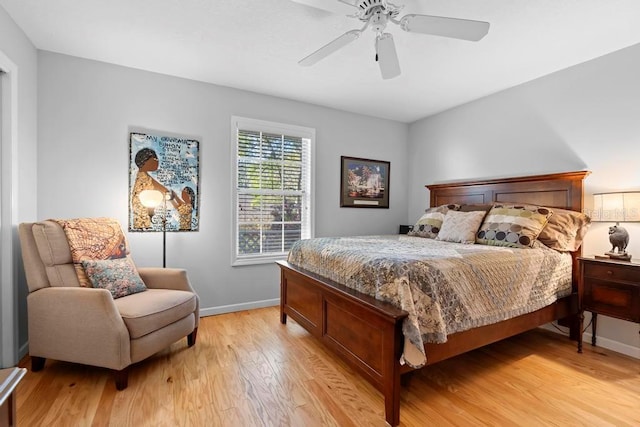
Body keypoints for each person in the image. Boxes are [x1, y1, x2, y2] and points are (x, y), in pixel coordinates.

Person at [131, 148, 169, 229]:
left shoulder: (143, 176)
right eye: (155, 159)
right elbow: (164, 189)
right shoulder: (144, 178)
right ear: (145, 161)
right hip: (142, 213)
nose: (157, 161)